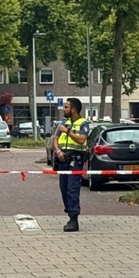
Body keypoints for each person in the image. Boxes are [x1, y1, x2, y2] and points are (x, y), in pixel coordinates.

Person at [52, 98, 90, 233]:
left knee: (72, 189)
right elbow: (55, 139)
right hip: (63, 160)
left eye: (66, 107)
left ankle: (74, 219)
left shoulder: (83, 123)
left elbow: (81, 140)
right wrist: (58, 151)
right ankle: (70, 214)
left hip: (76, 161)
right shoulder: (63, 122)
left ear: (73, 109)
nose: (64, 109)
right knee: (63, 189)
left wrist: (67, 132)